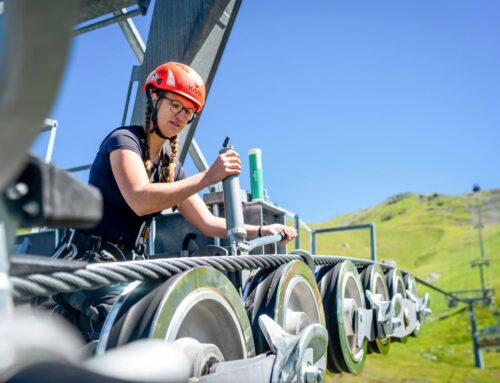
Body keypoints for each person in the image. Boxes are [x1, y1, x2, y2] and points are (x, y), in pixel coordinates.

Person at [51, 61, 297, 341]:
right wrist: (208, 177)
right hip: (88, 264)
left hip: (127, 266)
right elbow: (139, 199)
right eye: (175, 105)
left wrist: (264, 231)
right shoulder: (124, 141)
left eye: (188, 111)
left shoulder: (171, 169)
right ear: (154, 98)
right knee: (131, 332)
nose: (181, 116)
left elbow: (208, 223)